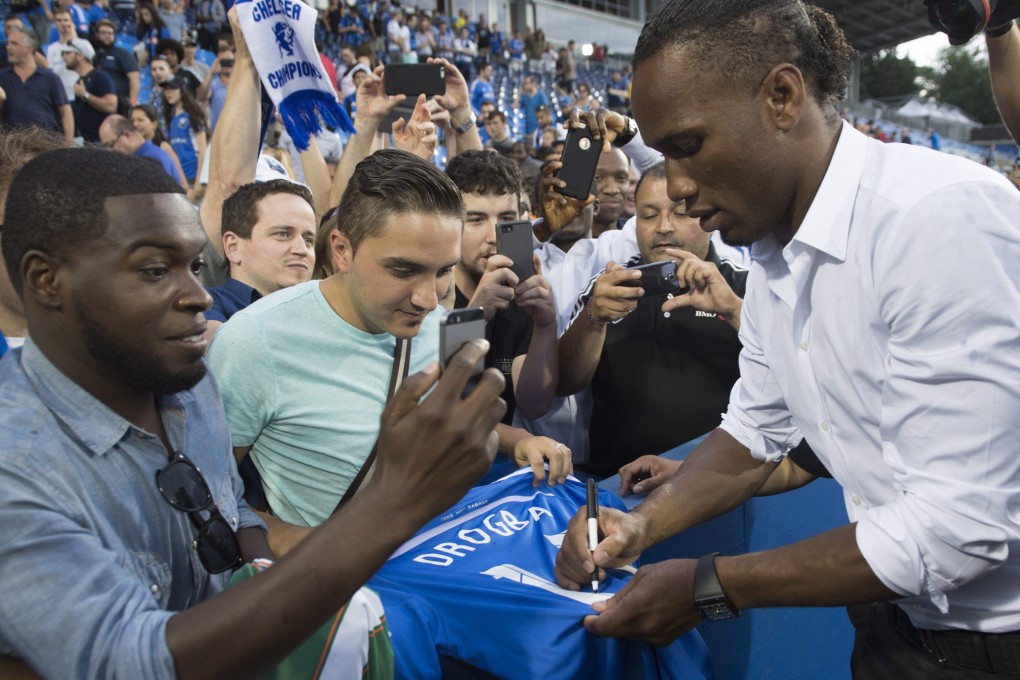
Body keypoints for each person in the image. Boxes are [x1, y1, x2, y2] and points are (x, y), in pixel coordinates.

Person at [553, 3, 1020, 679]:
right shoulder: (775, 253)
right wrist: (642, 527)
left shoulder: (936, 224)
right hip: (897, 626)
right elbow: (753, 432)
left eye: (689, 147)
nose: (677, 189)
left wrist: (710, 586)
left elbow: (958, 531)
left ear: (781, 97)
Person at [0, 145, 506, 679]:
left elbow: (230, 509)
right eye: (154, 270)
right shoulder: (16, 469)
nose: (198, 295)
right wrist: (391, 505)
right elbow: (133, 663)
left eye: (194, 265)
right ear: (44, 280)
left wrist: (269, 564)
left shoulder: (187, 387)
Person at [207, 150, 469, 542]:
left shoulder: (450, 326)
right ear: (342, 250)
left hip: (447, 553)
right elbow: (212, 495)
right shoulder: (253, 339)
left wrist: (521, 441)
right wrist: (309, 548)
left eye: (444, 270)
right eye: (404, 270)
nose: (429, 300)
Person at [556, 162, 747, 477]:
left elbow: (793, 377)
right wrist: (593, 319)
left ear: (708, 216)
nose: (664, 226)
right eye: (648, 215)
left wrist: (736, 312)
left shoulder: (743, 287)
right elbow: (564, 383)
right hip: (617, 490)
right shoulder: (609, 287)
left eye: (681, 213)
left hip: (720, 485)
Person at [445, 149, 569, 484]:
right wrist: (475, 315)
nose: (492, 236)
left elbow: (533, 403)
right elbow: (441, 400)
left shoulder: (520, 293)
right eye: (476, 219)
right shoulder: (426, 291)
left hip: (495, 478)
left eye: (505, 219)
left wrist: (545, 326)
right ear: (448, 222)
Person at [204, 180, 315, 339]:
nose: (302, 250)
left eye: (308, 239)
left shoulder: (326, 315)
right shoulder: (204, 307)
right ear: (233, 247)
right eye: (282, 234)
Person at [1, 24, 73, 142]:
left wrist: (69, 145)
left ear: (29, 48)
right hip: (11, 148)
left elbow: (65, 111)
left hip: (45, 146)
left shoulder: (50, 78)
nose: (8, 47)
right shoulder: (2, 77)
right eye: (8, 43)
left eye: (14, 43)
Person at [98, 112, 182, 184]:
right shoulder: (154, 153)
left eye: (111, 144)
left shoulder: (149, 160)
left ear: (127, 135)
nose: (110, 151)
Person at [160, 75, 206, 198]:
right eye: (166, 89)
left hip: (194, 175)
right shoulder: (171, 118)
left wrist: (199, 182)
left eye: (172, 88)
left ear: (182, 90)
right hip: (180, 178)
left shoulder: (193, 115)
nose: (168, 92)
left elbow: (202, 149)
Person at [63, 40, 116, 142]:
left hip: (101, 143)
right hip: (87, 141)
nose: (64, 57)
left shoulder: (100, 77)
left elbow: (111, 105)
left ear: (80, 56)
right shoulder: (80, 81)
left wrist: (85, 95)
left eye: (68, 53)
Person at [130, 102, 187, 188]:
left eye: (140, 120)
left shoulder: (164, 147)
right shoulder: (133, 151)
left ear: (154, 124)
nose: (135, 124)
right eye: (133, 120)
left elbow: (183, 184)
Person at [93, 18, 140, 115]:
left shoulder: (122, 54)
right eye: (104, 33)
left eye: (110, 33)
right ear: (96, 35)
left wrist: (133, 102)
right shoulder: (95, 56)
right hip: (100, 101)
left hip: (120, 101)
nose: (107, 36)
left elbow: (134, 77)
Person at [591, 146, 630, 236]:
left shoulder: (637, 237)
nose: (612, 190)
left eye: (621, 178)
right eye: (598, 178)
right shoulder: (557, 243)